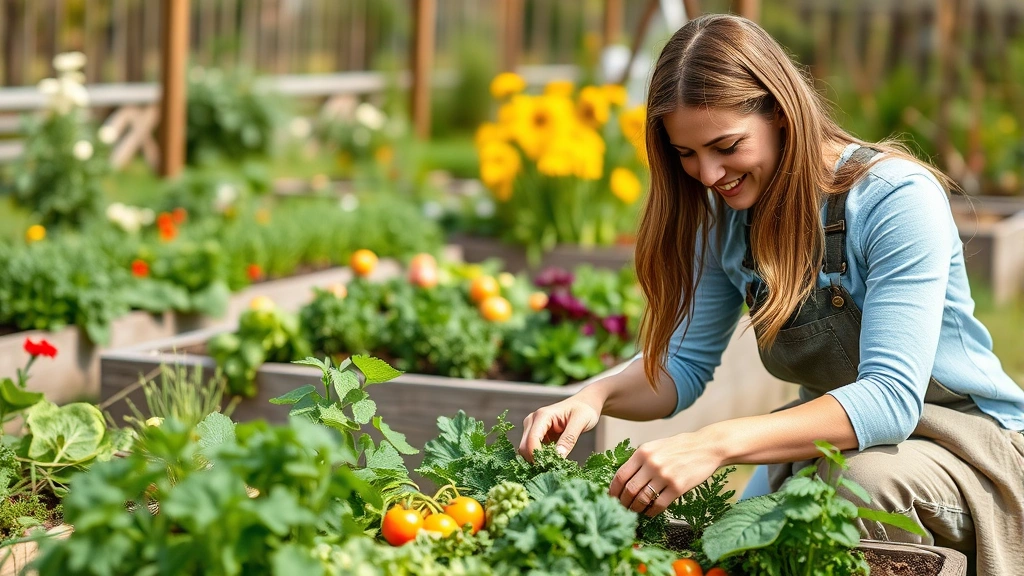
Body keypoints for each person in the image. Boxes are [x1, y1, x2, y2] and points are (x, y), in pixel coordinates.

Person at [518, 13, 1024, 574]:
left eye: (726, 146)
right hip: (836, 449)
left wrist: (714, 442)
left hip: (972, 449)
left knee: (855, 486)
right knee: (737, 544)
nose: (707, 174)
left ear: (781, 113)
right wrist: (594, 396)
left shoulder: (894, 199)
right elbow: (682, 365)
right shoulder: (727, 221)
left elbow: (890, 399)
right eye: (686, 154)